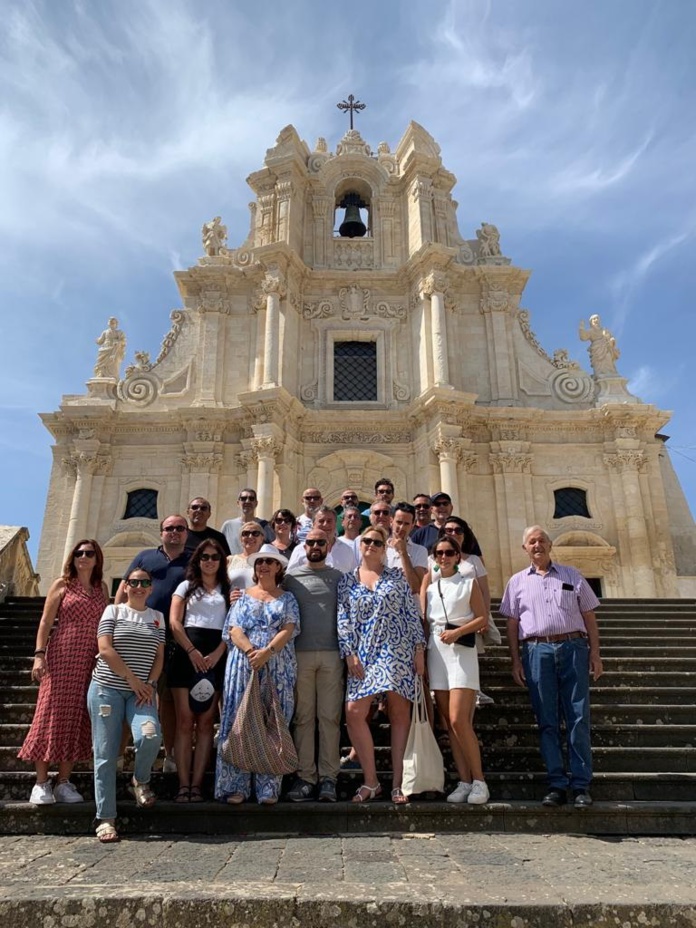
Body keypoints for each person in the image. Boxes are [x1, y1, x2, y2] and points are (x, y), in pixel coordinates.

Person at [500, 525, 603, 808]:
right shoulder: (517, 582)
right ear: (525, 548)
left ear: (550, 545)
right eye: (532, 542)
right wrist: (515, 660)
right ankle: (557, 783)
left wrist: (595, 653)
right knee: (547, 720)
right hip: (536, 650)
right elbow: (512, 624)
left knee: (578, 717)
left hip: (573, 647)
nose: (537, 545)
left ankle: (581, 785)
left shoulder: (572, 575)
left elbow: (588, 616)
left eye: (542, 540)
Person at [337, 525, 426, 805]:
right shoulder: (346, 582)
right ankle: (371, 781)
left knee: (400, 714)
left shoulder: (396, 579)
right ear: (360, 545)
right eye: (367, 541)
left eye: (377, 542)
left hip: (395, 650)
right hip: (362, 653)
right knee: (354, 711)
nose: (372, 545)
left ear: (384, 548)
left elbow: (411, 614)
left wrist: (419, 649)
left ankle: (398, 784)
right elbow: (343, 620)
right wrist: (349, 653)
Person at [19, 540, 110, 805]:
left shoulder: (101, 588)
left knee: (78, 717)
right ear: (73, 558)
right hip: (62, 654)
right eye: (79, 553)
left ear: (97, 559)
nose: (83, 557)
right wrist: (39, 655)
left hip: (90, 658)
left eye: (89, 553)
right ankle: (40, 782)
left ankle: (63, 782)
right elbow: (46, 621)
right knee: (50, 713)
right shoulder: (62, 585)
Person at [215, 546, 300, 804]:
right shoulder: (242, 597)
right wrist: (253, 651)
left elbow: (289, 627)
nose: (263, 565)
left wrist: (268, 651)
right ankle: (235, 785)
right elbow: (234, 628)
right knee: (238, 720)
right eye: (260, 561)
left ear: (278, 568)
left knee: (274, 720)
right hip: (244, 663)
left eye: (269, 562)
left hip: (278, 665)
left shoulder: (288, 598)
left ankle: (268, 787)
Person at [87, 568, 165, 843]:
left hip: (141, 692)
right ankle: (106, 818)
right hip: (107, 688)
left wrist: (151, 684)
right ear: (125, 585)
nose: (139, 587)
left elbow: (159, 656)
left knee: (150, 735)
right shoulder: (113, 612)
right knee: (106, 754)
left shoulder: (157, 618)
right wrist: (133, 680)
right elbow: (105, 649)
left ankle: (140, 779)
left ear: (151, 588)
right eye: (133, 582)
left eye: (145, 582)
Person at [116, 515, 190, 773]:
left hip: (176, 638)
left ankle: (169, 755)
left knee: (168, 700)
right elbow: (124, 587)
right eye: (169, 528)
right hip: (141, 635)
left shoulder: (192, 560)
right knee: (133, 695)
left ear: (186, 533)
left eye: (180, 528)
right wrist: (116, 617)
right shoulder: (145, 556)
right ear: (161, 532)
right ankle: (119, 754)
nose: (174, 532)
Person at [421, 536, 489, 805]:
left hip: (461, 651)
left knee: (460, 719)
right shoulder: (430, 589)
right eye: (439, 553)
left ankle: (480, 780)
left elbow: (482, 618)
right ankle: (463, 781)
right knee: (448, 724)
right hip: (437, 653)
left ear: (458, 556)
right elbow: (426, 623)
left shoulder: (468, 583)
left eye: (450, 552)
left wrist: (458, 631)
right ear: (434, 557)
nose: (444, 557)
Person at [284, 529, 344, 803]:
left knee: (330, 718)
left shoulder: (339, 578)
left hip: (333, 655)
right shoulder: (290, 578)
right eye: (311, 542)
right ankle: (306, 776)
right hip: (301, 655)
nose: (316, 546)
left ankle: (329, 777)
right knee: (303, 717)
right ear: (303, 545)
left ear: (329, 545)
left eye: (321, 542)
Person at [168, 540, 231, 802]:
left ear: (221, 560)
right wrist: (192, 651)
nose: (209, 561)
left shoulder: (228, 589)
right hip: (187, 653)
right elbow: (174, 621)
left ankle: (197, 785)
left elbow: (234, 623)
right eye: (204, 556)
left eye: (214, 557)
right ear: (198, 560)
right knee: (184, 721)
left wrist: (218, 653)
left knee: (206, 723)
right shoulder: (185, 586)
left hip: (216, 654)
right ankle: (183, 785)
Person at [287, 507, 357, 573]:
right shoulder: (300, 550)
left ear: (335, 524)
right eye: (321, 521)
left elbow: (353, 577)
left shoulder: (347, 550)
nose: (325, 524)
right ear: (313, 524)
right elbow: (289, 578)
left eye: (329, 521)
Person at [386, 502, 428, 595]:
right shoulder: (380, 548)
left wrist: (403, 552)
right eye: (399, 522)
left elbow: (416, 587)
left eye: (406, 524)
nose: (402, 527)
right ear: (391, 521)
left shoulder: (420, 551)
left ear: (412, 525)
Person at [221, 489, 272, 555]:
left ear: (256, 503)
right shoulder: (228, 526)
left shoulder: (266, 526)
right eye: (243, 498)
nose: (247, 501)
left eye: (251, 498)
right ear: (238, 503)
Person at [227, 521, 266, 590]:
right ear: (241, 539)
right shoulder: (229, 560)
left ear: (262, 538)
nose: (250, 537)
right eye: (246, 533)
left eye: (255, 533)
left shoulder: (267, 561)